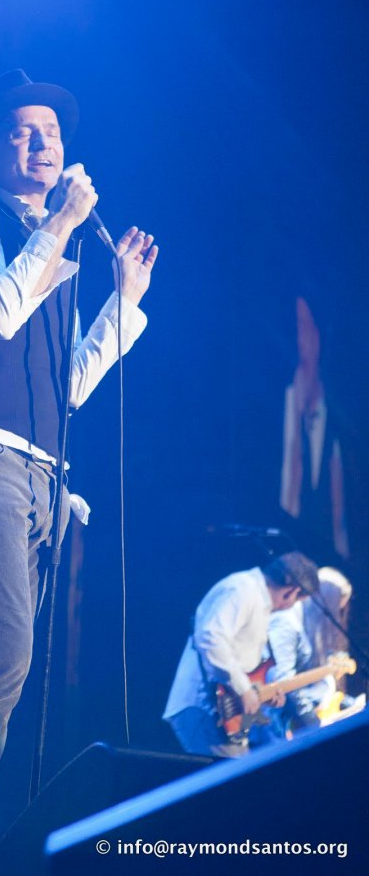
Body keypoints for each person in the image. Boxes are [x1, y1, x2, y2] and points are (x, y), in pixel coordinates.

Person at [0, 69, 158, 876]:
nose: (42, 143)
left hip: (44, 472)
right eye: (22, 131)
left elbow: (68, 385)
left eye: (51, 132)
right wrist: (58, 226)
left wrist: (124, 300)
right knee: (1, 655)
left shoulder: (57, 243)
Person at [162, 552, 319, 758]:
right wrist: (243, 689)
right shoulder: (243, 590)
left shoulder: (256, 599)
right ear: (292, 592)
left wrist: (262, 693)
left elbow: (240, 661)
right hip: (204, 707)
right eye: (299, 601)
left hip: (223, 712)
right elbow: (210, 638)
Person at [279, 296, 349, 561]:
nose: (301, 337)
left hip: (330, 558)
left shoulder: (336, 412)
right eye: (296, 326)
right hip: (288, 554)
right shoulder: (286, 399)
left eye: (305, 326)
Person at [267, 567, 354, 735]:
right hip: (274, 724)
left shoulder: (305, 624)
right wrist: (315, 727)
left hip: (293, 717)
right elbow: (284, 683)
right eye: (335, 610)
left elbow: (310, 687)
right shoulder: (286, 622)